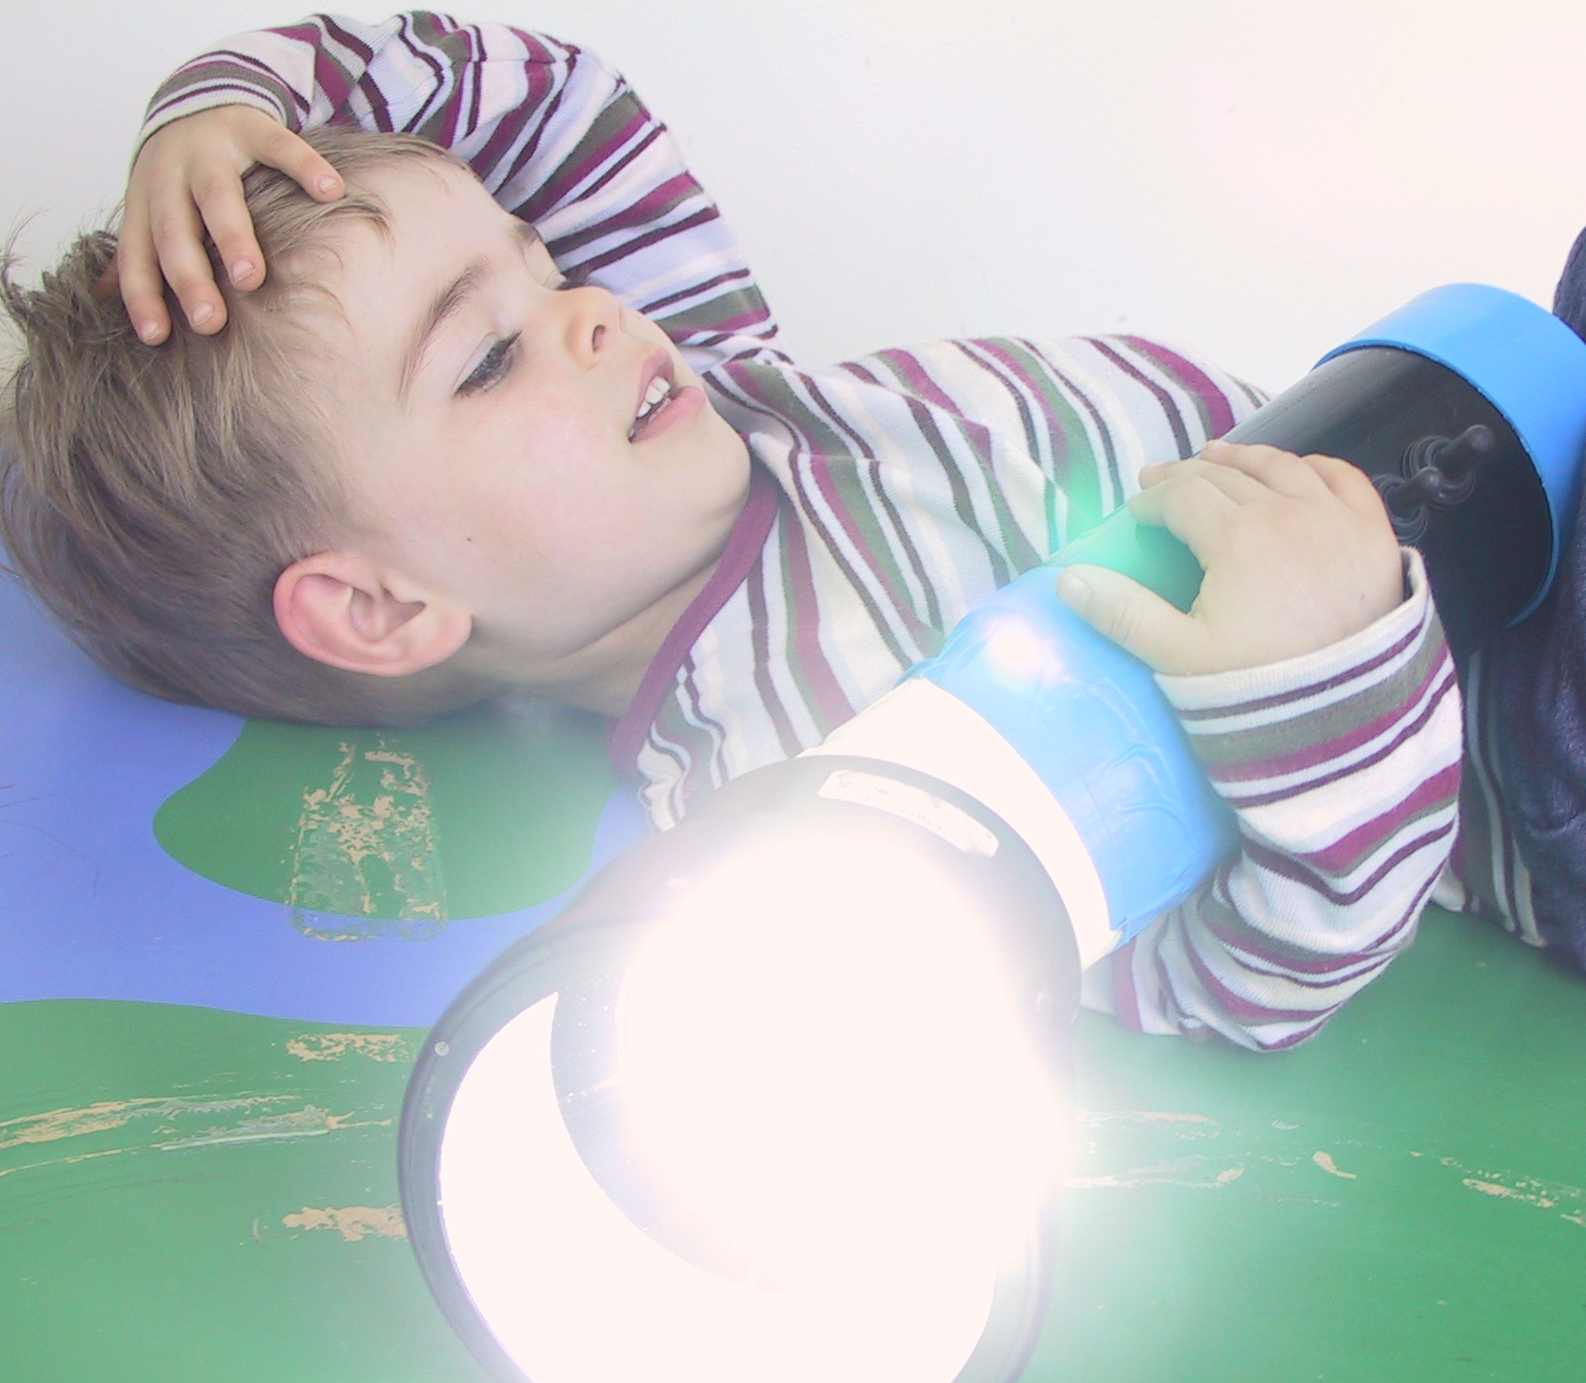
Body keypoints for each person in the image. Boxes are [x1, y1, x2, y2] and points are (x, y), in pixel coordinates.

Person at [2, 10, 1503, 1055]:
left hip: (1469, 429)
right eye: (488, 357)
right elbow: (1237, 982)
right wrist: (1332, 669)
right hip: (1508, 725)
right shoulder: (813, 766)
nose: (590, 309)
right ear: (385, 610)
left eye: (541, 265)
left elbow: (553, 110)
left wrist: (223, 110)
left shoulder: (725, 390)